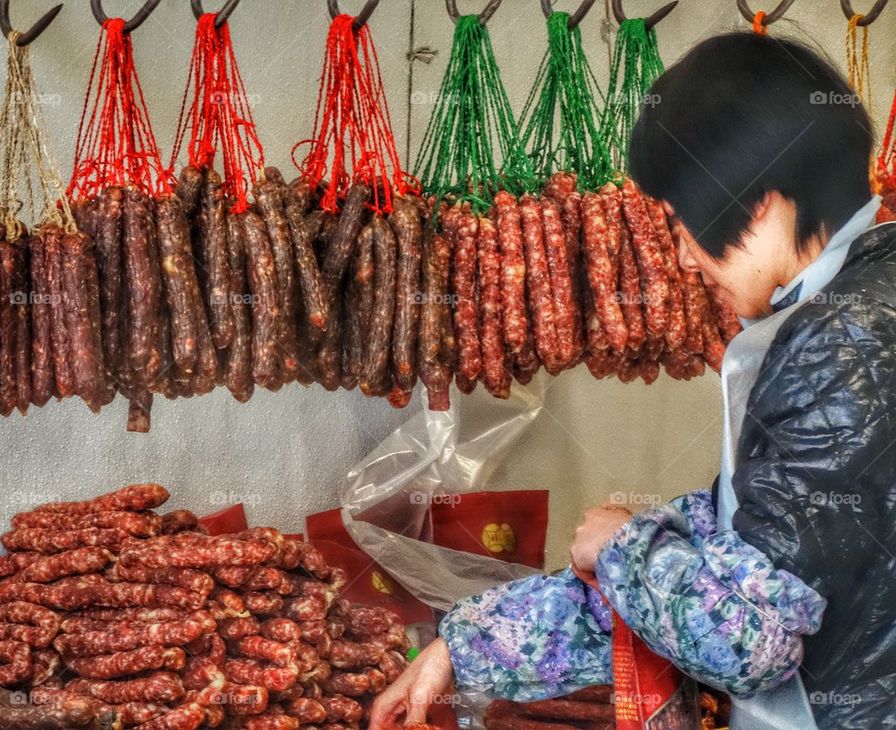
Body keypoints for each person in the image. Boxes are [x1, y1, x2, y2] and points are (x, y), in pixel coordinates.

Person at [371, 31, 896, 730]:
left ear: (762, 203)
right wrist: (461, 650)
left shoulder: (846, 339)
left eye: (683, 222)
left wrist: (621, 543)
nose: (681, 257)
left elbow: (749, 641)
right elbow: (740, 550)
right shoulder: (857, 304)